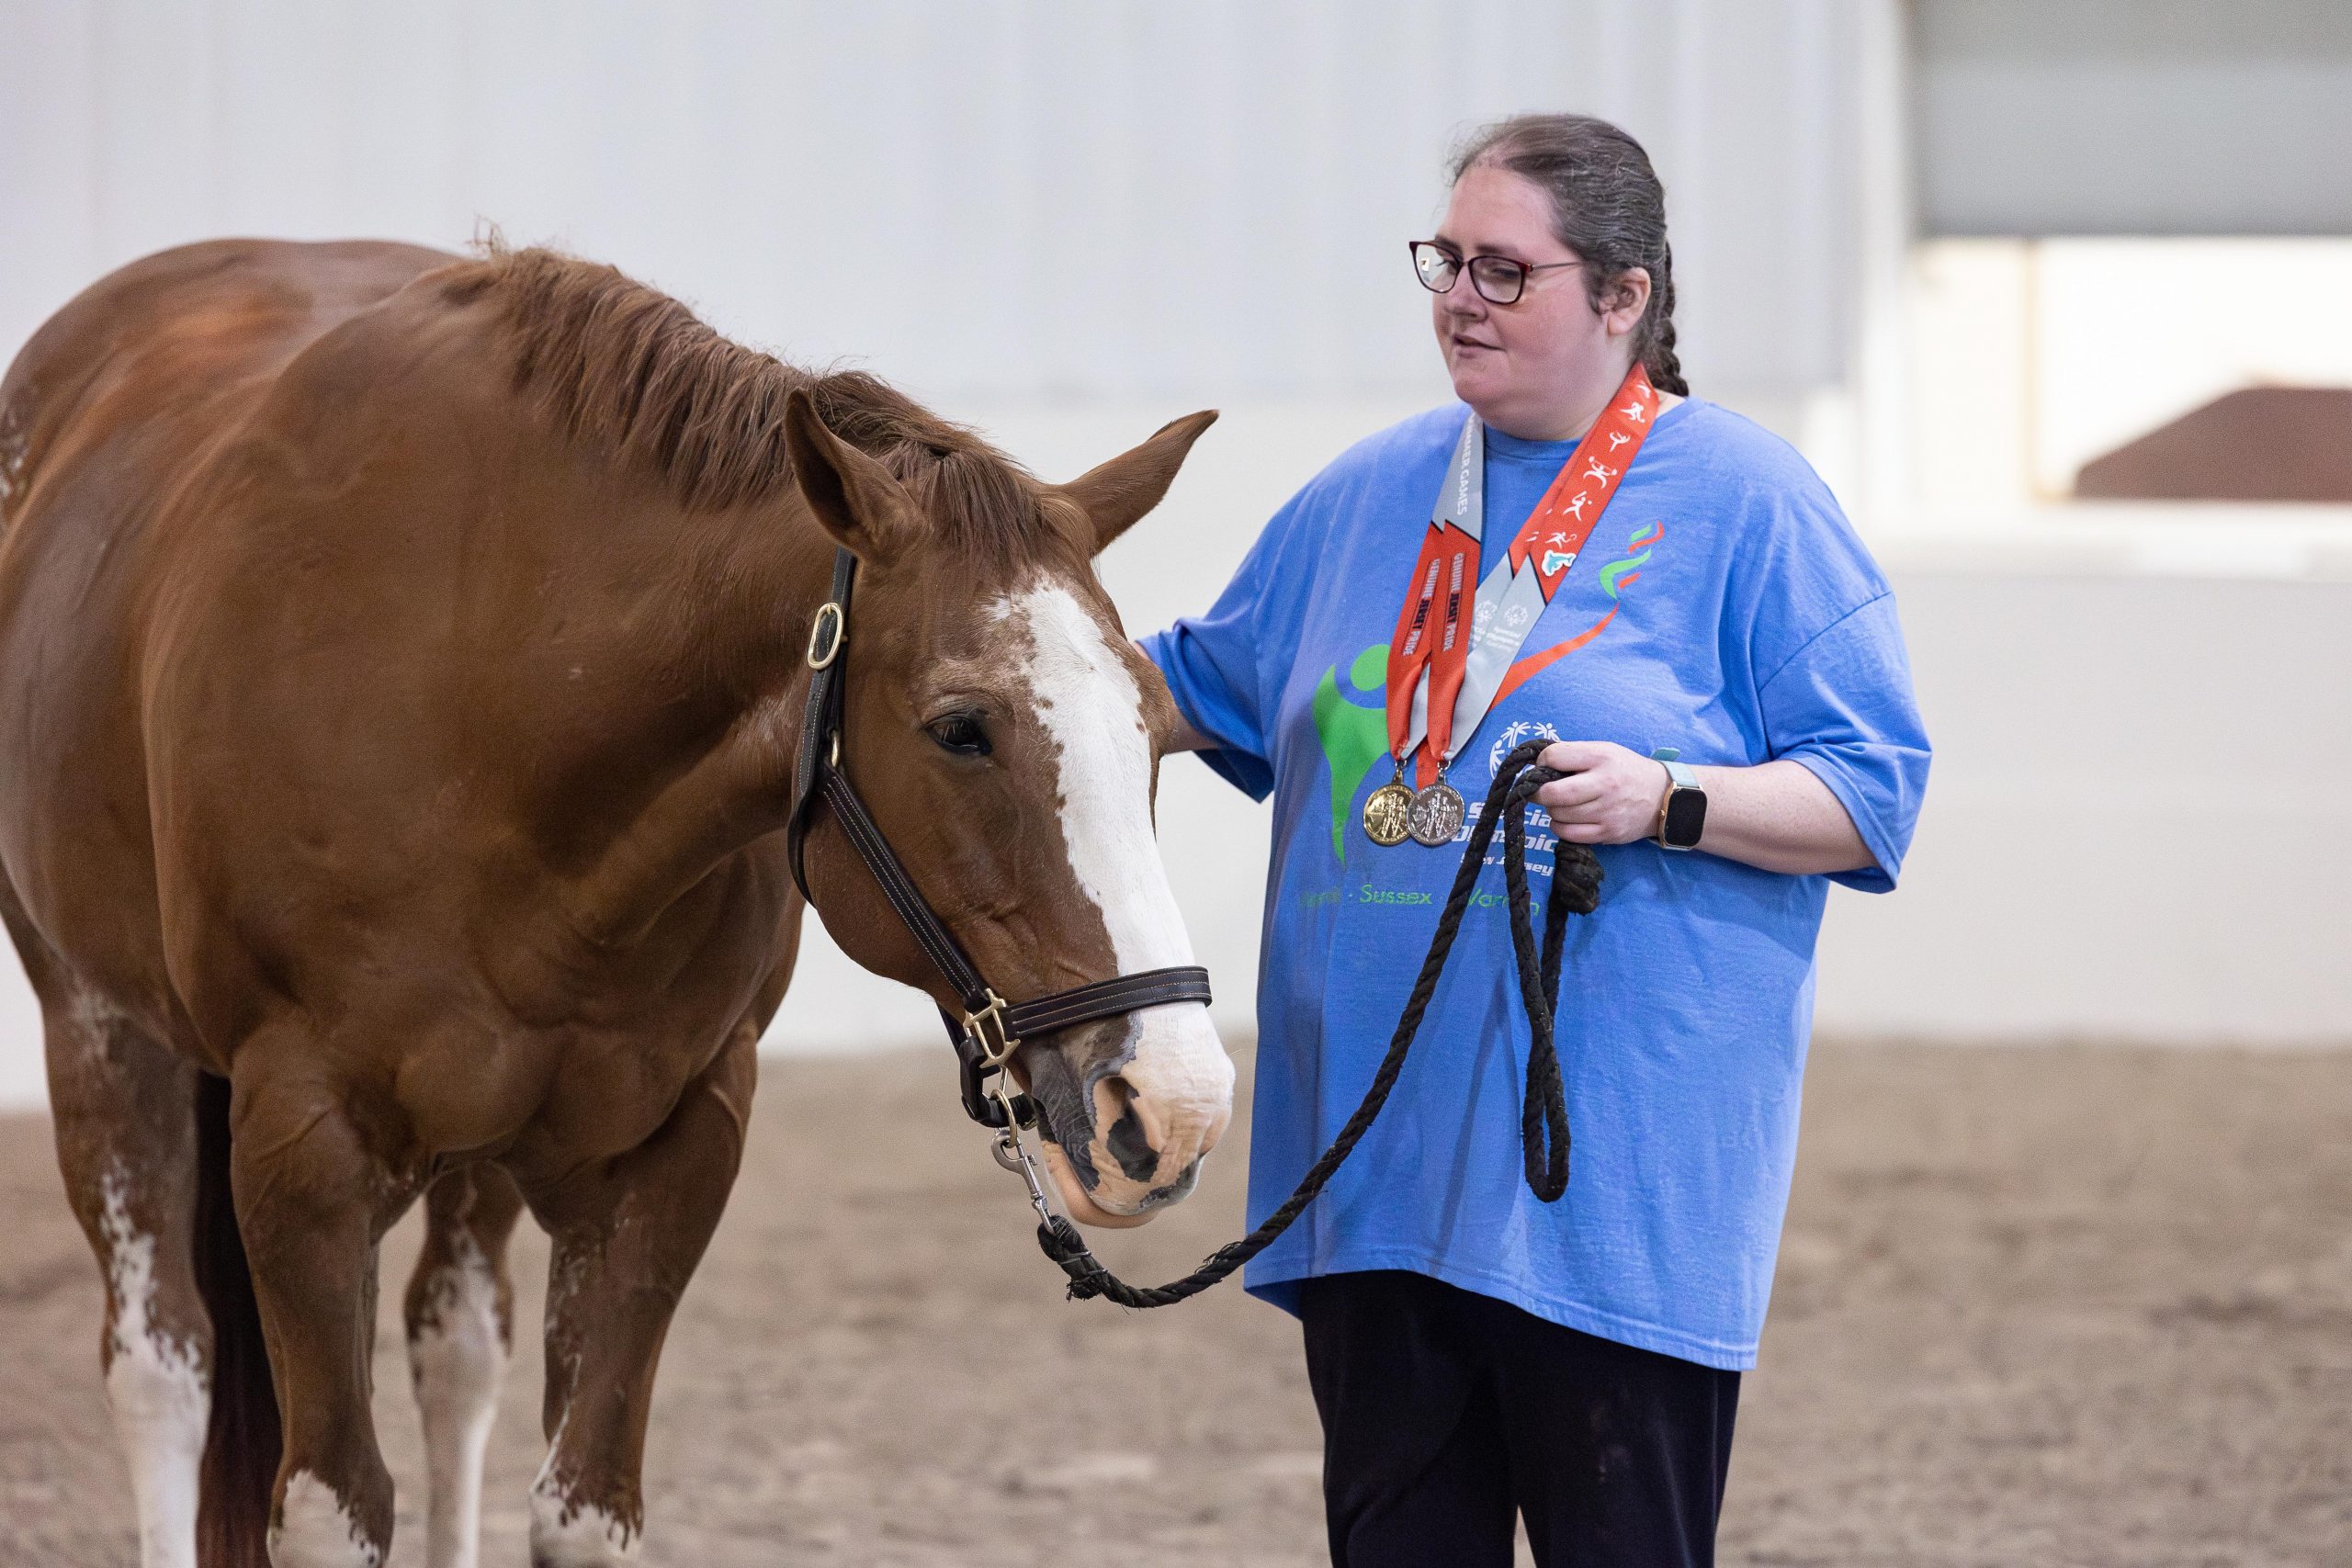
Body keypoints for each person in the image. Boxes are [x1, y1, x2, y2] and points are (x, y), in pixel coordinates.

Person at [1139, 114, 1930, 1567]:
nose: (1460, 298)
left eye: (1504, 270)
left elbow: (1871, 793)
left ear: (1623, 295)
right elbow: (1168, 692)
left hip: (1607, 1202)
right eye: (1446, 260)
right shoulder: (1359, 499)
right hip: (1372, 1178)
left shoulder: (1748, 502)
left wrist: (1670, 797)